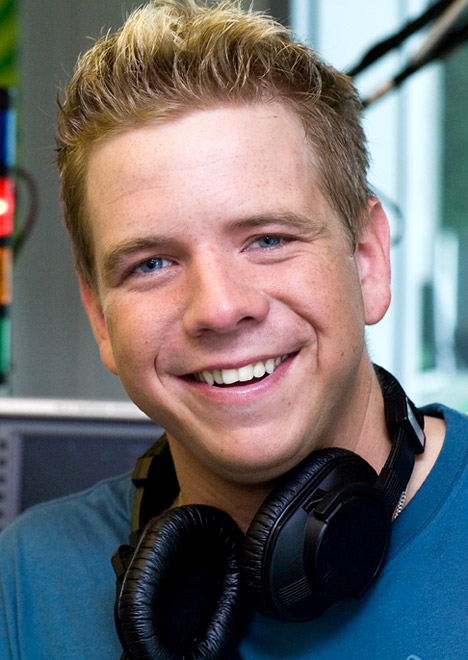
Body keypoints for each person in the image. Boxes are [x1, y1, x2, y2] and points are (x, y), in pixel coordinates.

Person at [0, 1, 466, 658]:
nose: (218, 308)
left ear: (367, 261)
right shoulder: (28, 581)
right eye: (152, 263)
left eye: (268, 239)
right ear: (100, 315)